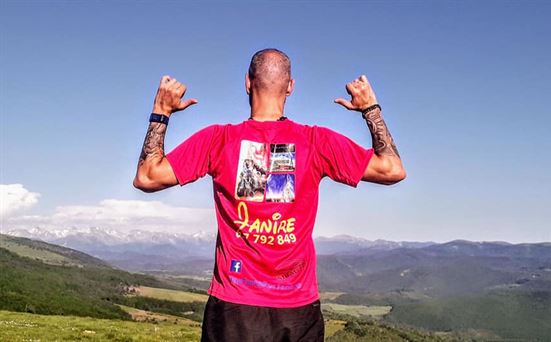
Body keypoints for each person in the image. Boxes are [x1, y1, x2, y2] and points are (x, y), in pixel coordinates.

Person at [133, 48, 406, 342]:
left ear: (247, 83)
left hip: (233, 308)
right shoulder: (317, 141)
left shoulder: (217, 139)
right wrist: (370, 109)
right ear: (291, 86)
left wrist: (161, 111)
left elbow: (147, 176)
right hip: (298, 310)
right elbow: (392, 169)